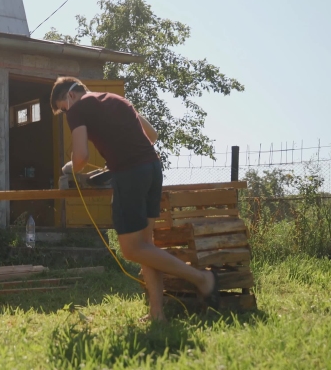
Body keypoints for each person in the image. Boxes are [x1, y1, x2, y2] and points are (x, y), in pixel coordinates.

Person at [50, 76, 219, 322]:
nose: (67, 112)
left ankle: (203, 279)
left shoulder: (77, 109)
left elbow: (82, 157)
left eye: (64, 108)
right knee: (146, 246)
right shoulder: (119, 99)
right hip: (153, 169)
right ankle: (157, 313)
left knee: (131, 249)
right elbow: (152, 135)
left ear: (70, 96)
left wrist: (70, 168)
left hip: (130, 175)